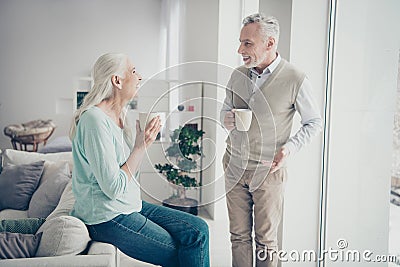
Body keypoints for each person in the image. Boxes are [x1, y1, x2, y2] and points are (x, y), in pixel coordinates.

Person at [69, 53, 210, 267]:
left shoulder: (119, 116)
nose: (140, 77)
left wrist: (141, 145)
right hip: (107, 217)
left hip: (129, 206)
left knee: (198, 229)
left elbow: (127, 174)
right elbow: (113, 187)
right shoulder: (94, 120)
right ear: (117, 81)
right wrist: (139, 147)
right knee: (185, 251)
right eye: (133, 72)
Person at [221, 13, 322, 267]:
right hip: (234, 166)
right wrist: (227, 119)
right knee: (238, 237)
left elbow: (314, 122)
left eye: (248, 43)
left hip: (268, 171)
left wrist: (289, 149)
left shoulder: (295, 78)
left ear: (270, 43)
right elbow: (224, 111)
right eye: (240, 42)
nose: (240, 50)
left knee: (266, 240)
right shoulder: (237, 75)